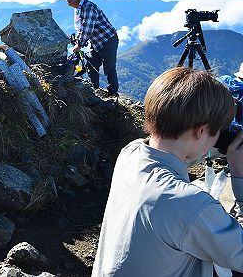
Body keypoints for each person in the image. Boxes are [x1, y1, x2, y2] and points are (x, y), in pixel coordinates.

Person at [92, 67, 243, 277]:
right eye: (216, 132)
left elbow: (174, 156)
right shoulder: (192, 204)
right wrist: (239, 173)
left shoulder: (131, 153)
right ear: (201, 131)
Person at [60, 0, 119, 96]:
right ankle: (95, 89)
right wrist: (78, 40)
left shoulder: (88, 7)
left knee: (109, 68)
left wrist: (79, 45)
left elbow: (87, 28)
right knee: (91, 64)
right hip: (96, 41)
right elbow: (81, 28)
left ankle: (113, 93)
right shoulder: (79, 8)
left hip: (107, 40)